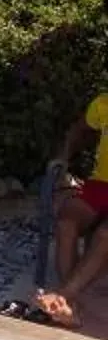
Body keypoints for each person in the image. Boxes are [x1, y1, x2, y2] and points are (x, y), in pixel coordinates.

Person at [32, 92, 108, 325]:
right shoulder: (104, 103)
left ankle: (62, 297)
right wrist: (64, 156)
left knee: (106, 235)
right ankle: (69, 306)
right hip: (102, 185)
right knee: (67, 221)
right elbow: (79, 129)